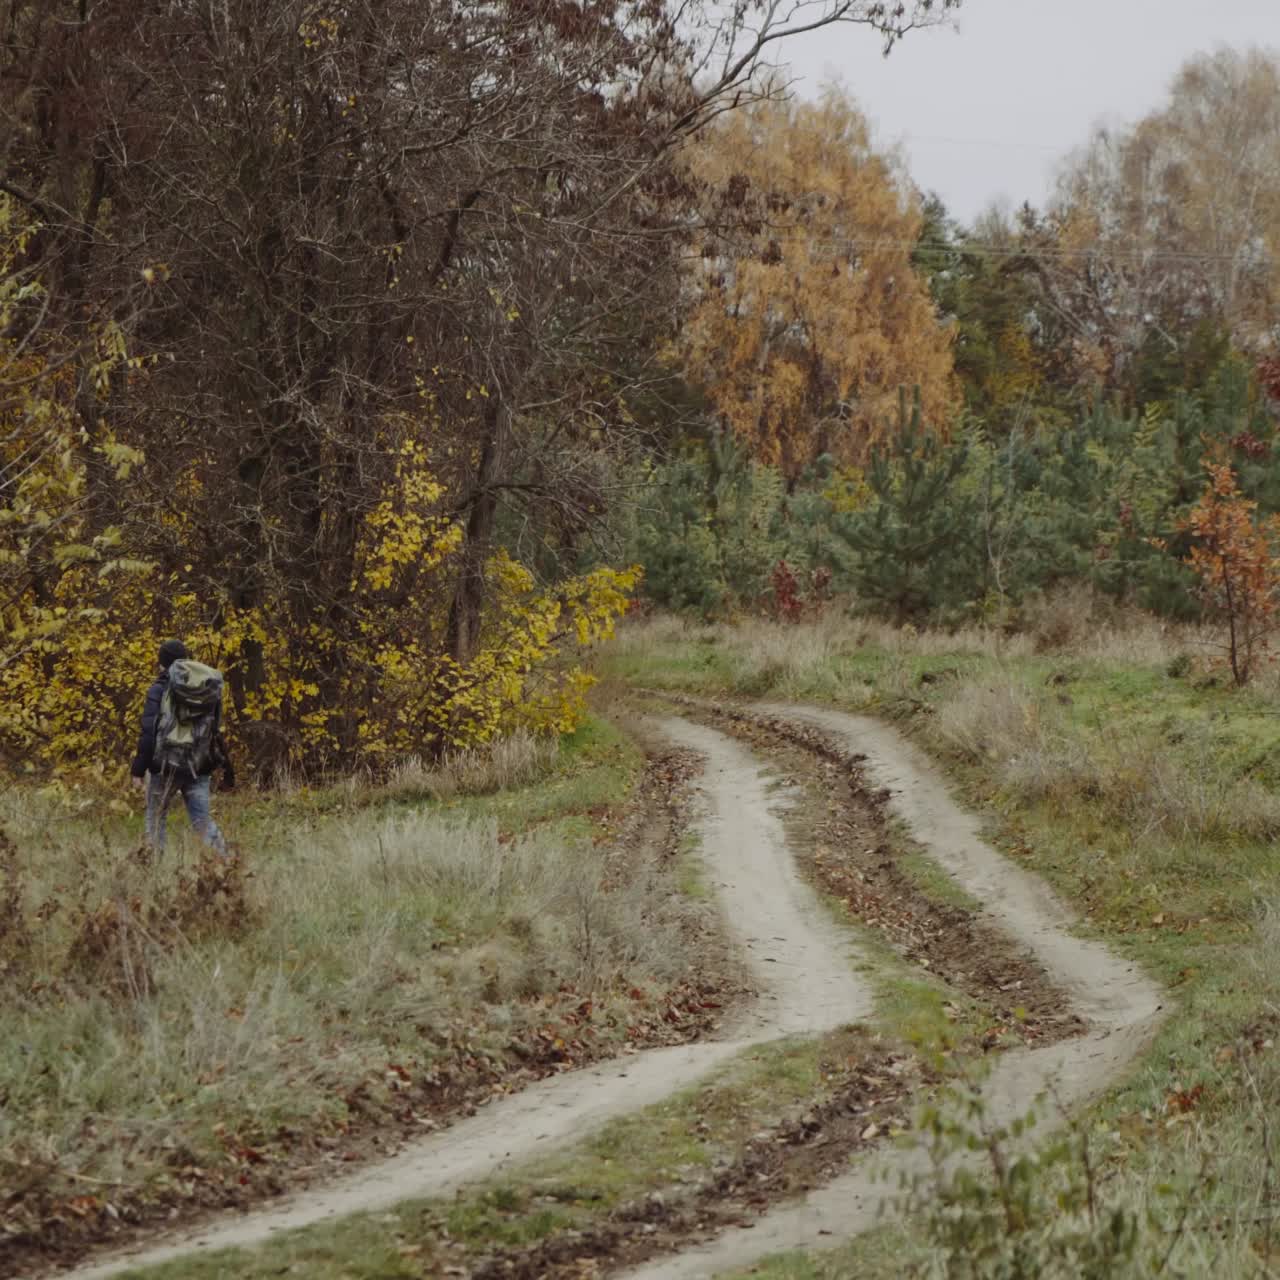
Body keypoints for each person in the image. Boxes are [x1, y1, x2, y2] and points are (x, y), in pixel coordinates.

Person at [130, 639, 235, 855]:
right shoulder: (205, 688)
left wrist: (138, 770)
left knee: (156, 819)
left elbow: (149, 733)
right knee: (203, 824)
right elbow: (215, 730)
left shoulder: (158, 689)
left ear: (162, 663)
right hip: (198, 766)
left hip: (164, 768)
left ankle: (153, 872)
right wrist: (224, 766)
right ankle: (228, 864)